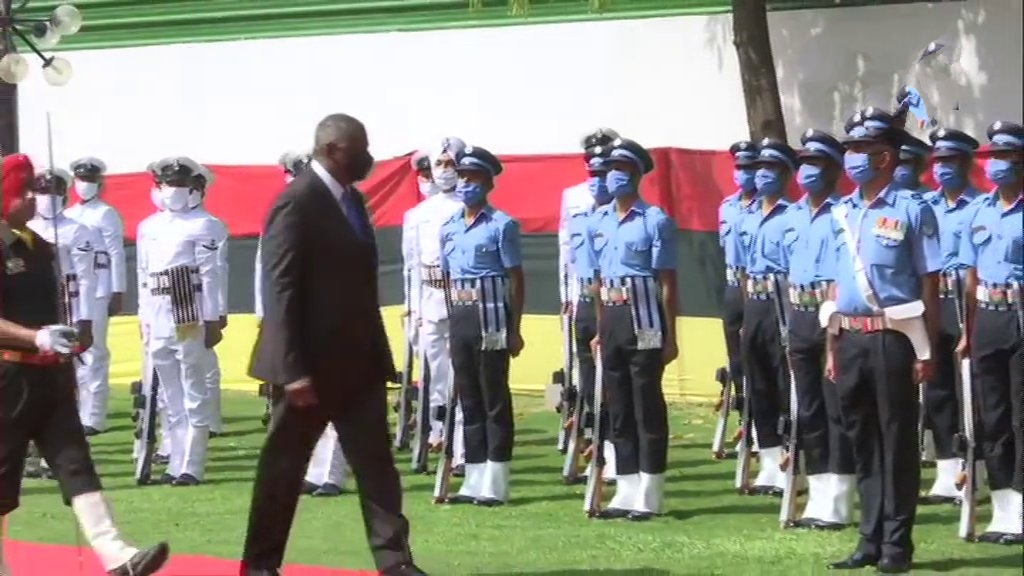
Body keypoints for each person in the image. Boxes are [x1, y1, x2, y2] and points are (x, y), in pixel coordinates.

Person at [242, 113, 423, 576]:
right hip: (309, 368)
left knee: (377, 467)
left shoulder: (353, 202)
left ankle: (395, 563)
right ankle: (260, 566)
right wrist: (292, 369)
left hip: (358, 364)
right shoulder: (297, 201)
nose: (368, 157)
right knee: (284, 471)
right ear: (333, 149)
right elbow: (279, 288)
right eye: (360, 148)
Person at [0, 153, 169, 576]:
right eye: (23, 194)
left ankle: (118, 556)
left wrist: (65, 341)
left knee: (75, 462)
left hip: (49, 374)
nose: (33, 202)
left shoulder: (41, 247)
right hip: (8, 377)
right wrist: (34, 336)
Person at [822, 107, 941, 572]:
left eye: (861, 151)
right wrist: (832, 344)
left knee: (895, 441)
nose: (852, 159)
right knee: (862, 442)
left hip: (894, 337)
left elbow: (928, 283)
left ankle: (896, 545)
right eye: (849, 150)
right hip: (850, 337)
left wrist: (925, 348)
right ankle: (867, 539)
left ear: (886, 157)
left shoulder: (913, 208)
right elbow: (837, 285)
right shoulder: (842, 211)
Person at [589, 138, 677, 521]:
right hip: (611, 316)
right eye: (610, 169)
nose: (614, 176)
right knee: (618, 405)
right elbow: (594, 281)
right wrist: (598, 328)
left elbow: (667, 282)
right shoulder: (597, 220)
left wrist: (671, 334)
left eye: (622, 170)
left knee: (646, 404)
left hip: (644, 315)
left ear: (638, 175)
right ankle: (624, 487)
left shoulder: (654, 219)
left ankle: (650, 490)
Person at [439, 145, 524, 507]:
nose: (465, 183)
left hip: (492, 316)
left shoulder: (502, 225)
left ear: (488, 183)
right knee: (468, 397)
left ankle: (496, 479)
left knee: (493, 398)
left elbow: (516, 278)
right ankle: (472, 478)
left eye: (473, 178)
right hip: (461, 317)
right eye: (462, 177)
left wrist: (515, 326)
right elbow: (446, 277)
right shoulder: (449, 228)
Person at [136, 157, 224, 487]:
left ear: (196, 189)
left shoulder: (206, 224)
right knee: (169, 392)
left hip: (189, 300)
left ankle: (192, 464)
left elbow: (211, 274)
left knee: (192, 385)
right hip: (157, 305)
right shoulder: (149, 226)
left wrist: (212, 319)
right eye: (166, 184)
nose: (172, 191)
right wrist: (144, 317)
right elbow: (143, 274)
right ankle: (174, 460)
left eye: (179, 185)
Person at [782, 129, 855, 529]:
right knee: (808, 410)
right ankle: (819, 490)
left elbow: (839, 279)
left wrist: (833, 338)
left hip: (831, 316)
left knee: (835, 410)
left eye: (816, 164)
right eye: (803, 163)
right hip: (797, 313)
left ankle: (840, 497)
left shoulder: (843, 214)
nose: (807, 171)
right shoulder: (791, 216)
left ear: (832, 170)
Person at [956, 119, 1024, 545]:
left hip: (1020, 315)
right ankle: (1002, 506)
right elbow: (969, 276)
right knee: (993, 416)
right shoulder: (978, 211)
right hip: (987, 316)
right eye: (993, 156)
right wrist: (967, 330)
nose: (997, 163)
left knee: (1022, 415)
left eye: (1006, 156)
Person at [23, 167, 102, 480]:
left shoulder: (78, 231)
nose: (47, 198)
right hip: (30, 312)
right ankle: (29, 450)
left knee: (63, 382)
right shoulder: (23, 229)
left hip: (65, 307)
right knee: (27, 381)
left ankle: (57, 452)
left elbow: (86, 279)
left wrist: (86, 319)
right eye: (41, 191)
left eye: (54, 192)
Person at [919, 128, 981, 504]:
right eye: (938, 161)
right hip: (934, 301)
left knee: (972, 390)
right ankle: (945, 471)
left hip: (967, 299)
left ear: (967, 164)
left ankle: (979, 466)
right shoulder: (927, 205)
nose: (943, 168)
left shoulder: (982, 205)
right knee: (938, 389)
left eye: (951, 161)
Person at [401, 138, 467, 472]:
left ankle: (462, 447)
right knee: (435, 375)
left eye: (450, 164)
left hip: (461, 299)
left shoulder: (469, 207)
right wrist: (412, 309)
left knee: (462, 373)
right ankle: (436, 433)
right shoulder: (417, 215)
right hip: (428, 299)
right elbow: (410, 266)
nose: (444, 171)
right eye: (439, 165)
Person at [737, 138, 798, 497]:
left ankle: (793, 454)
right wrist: (747, 313)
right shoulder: (746, 217)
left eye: (771, 169)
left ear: (786, 175)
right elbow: (745, 270)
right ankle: (769, 460)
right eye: (759, 168)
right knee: (757, 382)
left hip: (783, 300)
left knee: (784, 378)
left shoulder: (792, 216)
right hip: (756, 301)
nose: (762, 175)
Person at [563, 144, 617, 482]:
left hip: (613, 306)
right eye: (593, 174)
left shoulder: (620, 219)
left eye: (603, 174)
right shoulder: (581, 217)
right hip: (582, 302)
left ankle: (612, 451)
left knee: (611, 382)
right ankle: (592, 445)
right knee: (587, 382)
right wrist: (567, 297)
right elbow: (568, 258)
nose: (597, 181)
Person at [63, 157, 126, 436]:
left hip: (99, 286)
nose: (84, 185)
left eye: (89, 180)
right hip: (73, 290)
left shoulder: (106, 213)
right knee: (72, 354)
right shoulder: (69, 214)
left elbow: (116, 253)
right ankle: (74, 410)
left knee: (95, 351)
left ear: (99, 183)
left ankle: (94, 415)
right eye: (80, 180)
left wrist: (117, 289)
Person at [256, 152, 312, 427]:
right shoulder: (278, 214)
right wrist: (262, 312)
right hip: (281, 313)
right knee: (282, 380)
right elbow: (263, 270)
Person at [718, 140, 759, 444]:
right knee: (736, 358)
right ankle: (745, 417)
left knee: (760, 354)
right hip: (732, 286)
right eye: (739, 167)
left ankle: (763, 419)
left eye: (749, 167)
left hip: (758, 290)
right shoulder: (726, 207)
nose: (743, 173)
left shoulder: (768, 206)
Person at [185, 162, 230, 437]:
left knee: (204, 363)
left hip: (201, 302)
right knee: (187, 367)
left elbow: (217, 270)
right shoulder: (160, 225)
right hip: (172, 305)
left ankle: (210, 420)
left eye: (191, 188)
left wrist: (218, 311)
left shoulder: (211, 225)